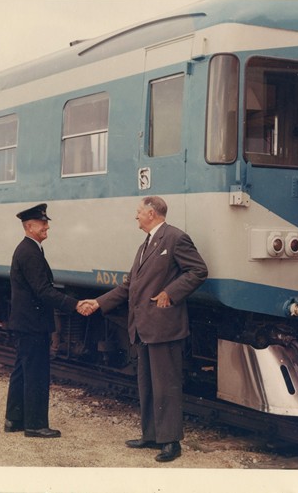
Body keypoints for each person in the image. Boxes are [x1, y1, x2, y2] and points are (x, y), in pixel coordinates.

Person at [80, 196, 208, 462]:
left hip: (164, 325)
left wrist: (170, 293)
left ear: (151, 213)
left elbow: (198, 271)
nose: (135, 216)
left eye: (138, 212)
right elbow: (130, 287)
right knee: (147, 384)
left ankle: (171, 442)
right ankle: (151, 436)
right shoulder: (145, 245)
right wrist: (99, 302)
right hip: (144, 326)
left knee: (166, 385)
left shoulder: (175, 238)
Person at [4, 203, 89, 438]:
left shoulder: (29, 249)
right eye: (42, 223)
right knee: (36, 373)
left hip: (26, 322)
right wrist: (74, 304)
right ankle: (35, 425)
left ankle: (14, 419)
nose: (47, 226)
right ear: (29, 226)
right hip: (32, 324)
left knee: (22, 370)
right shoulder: (29, 252)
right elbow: (43, 290)